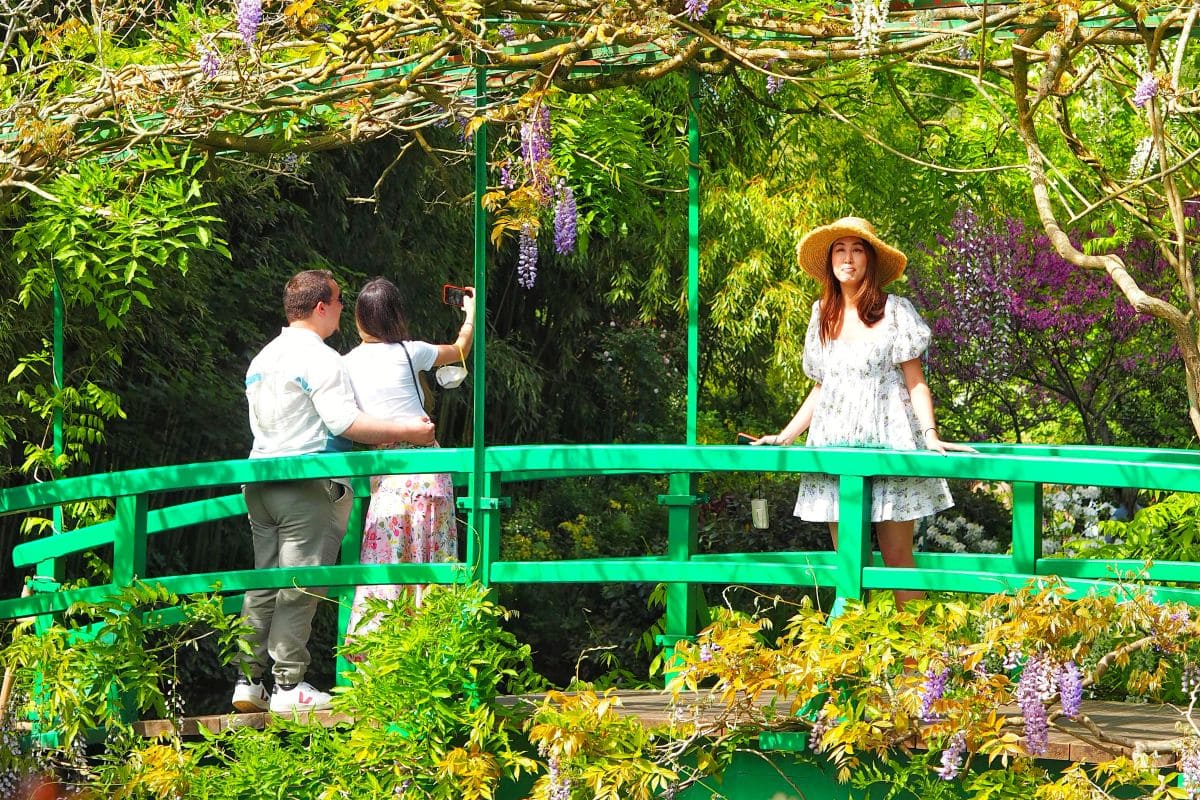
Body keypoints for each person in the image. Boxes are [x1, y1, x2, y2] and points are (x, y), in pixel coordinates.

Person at [233, 269, 436, 714]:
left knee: (264, 580)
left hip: (259, 479)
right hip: (306, 482)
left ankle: (248, 680)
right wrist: (410, 431)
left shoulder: (262, 358)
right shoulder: (321, 358)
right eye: (340, 301)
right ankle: (289, 685)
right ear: (321, 307)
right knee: (301, 582)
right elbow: (345, 422)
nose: (344, 308)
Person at [752, 217, 974, 605]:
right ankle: (854, 644)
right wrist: (786, 436)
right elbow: (823, 387)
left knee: (898, 557)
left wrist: (930, 435)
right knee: (849, 563)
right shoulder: (822, 313)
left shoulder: (895, 310)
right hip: (834, 447)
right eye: (840, 250)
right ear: (830, 261)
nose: (848, 258)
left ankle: (917, 647)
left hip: (890, 443)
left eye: (857, 250)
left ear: (869, 259)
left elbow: (915, 381)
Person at [340, 277, 476, 639]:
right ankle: (434, 645)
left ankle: (377, 647)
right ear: (396, 315)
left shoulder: (345, 364)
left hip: (388, 473)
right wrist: (471, 314)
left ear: (359, 318)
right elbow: (460, 349)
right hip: (428, 469)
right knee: (432, 562)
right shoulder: (410, 351)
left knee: (386, 560)